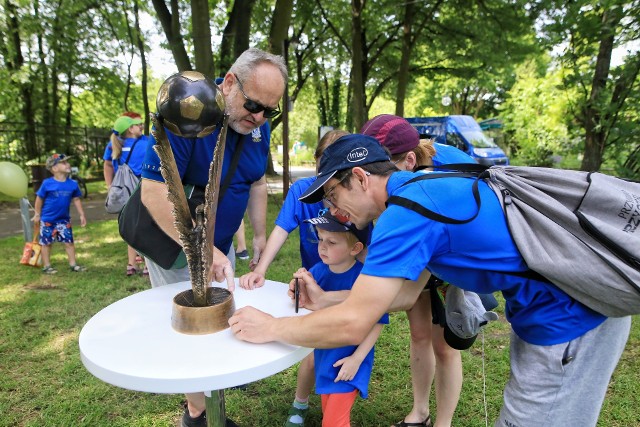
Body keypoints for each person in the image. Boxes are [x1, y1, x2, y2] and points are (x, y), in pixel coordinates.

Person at [229, 133, 631, 427]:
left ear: (360, 177)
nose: (335, 210)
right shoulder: (423, 184)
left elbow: (355, 323)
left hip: (570, 318)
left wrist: (272, 327)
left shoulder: (405, 215)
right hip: (569, 303)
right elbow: (404, 295)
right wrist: (324, 302)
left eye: (333, 196)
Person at [140, 47, 287, 427]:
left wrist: (257, 234)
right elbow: (154, 192)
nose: (258, 118)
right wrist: (201, 249)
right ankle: (197, 412)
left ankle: (211, 386)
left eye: (269, 111)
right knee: (193, 327)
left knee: (219, 319)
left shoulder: (258, 127)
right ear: (231, 83)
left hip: (220, 245)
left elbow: (254, 181)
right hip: (176, 245)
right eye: (254, 105)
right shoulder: (191, 111)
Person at [360, 114, 476, 427]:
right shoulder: (398, 178)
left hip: (451, 249)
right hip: (418, 238)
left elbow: (404, 294)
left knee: (445, 344)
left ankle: (443, 423)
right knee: (419, 333)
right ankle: (420, 412)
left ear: (409, 160)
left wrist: (350, 303)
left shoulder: (441, 176)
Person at [301, 210, 388, 427]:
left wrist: (357, 359)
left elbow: (378, 321)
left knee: (332, 423)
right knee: (329, 414)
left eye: (332, 242)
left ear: (355, 248)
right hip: (324, 355)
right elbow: (307, 304)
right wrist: (299, 288)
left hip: (349, 359)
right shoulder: (318, 271)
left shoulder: (365, 278)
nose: (322, 246)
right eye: (320, 239)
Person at [239, 129, 349, 291]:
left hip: (353, 283)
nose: (325, 184)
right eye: (321, 173)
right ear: (315, 161)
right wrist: (260, 270)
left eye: (332, 175)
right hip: (314, 279)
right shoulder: (301, 189)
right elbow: (281, 230)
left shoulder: (357, 196)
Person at [103, 112, 150, 276]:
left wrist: (109, 186)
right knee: (146, 226)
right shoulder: (145, 145)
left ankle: (131, 264)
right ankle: (147, 266)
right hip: (141, 189)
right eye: (138, 125)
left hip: (123, 191)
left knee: (130, 226)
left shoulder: (113, 145)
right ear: (131, 128)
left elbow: (107, 165)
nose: (141, 127)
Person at [33, 153, 87, 274]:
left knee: (69, 243)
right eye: (63, 163)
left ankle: (73, 264)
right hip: (48, 220)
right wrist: (37, 214)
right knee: (46, 243)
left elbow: (76, 199)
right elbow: (39, 199)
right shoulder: (47, 183)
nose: (67, 164)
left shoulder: (73, 184)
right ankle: (47, 266)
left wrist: (82, 214)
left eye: (67, 162)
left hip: (64, 220)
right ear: (54, 168)